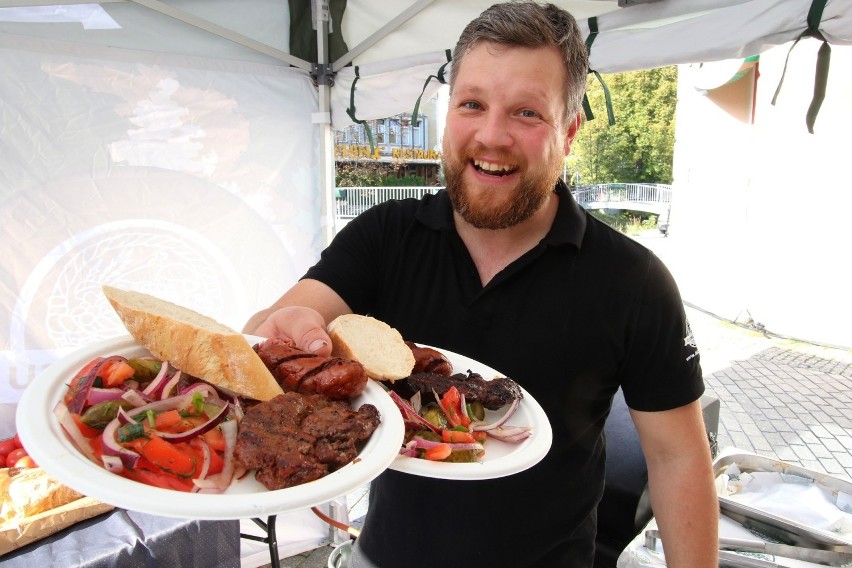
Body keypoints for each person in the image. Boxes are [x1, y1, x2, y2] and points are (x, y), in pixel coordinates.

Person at [244, 2, 718, 566]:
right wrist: (286, 330)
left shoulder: (634, 280)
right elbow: (276, 325)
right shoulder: (386, 235)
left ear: (568, 131)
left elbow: (677, 459)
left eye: (526, 113)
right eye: (472, 104)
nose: (491, 136)